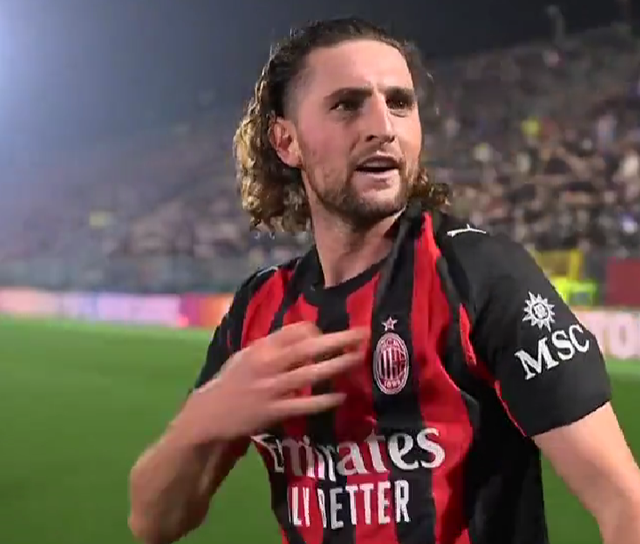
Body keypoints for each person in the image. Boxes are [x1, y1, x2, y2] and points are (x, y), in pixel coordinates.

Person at [128, 17, 640, 544]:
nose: (383, 127)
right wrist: (206, 417)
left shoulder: (477, 276)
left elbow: (626, 504)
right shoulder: (259, 308)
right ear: (287, 141)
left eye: (399, 103)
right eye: (347, 105)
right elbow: (153, 522)